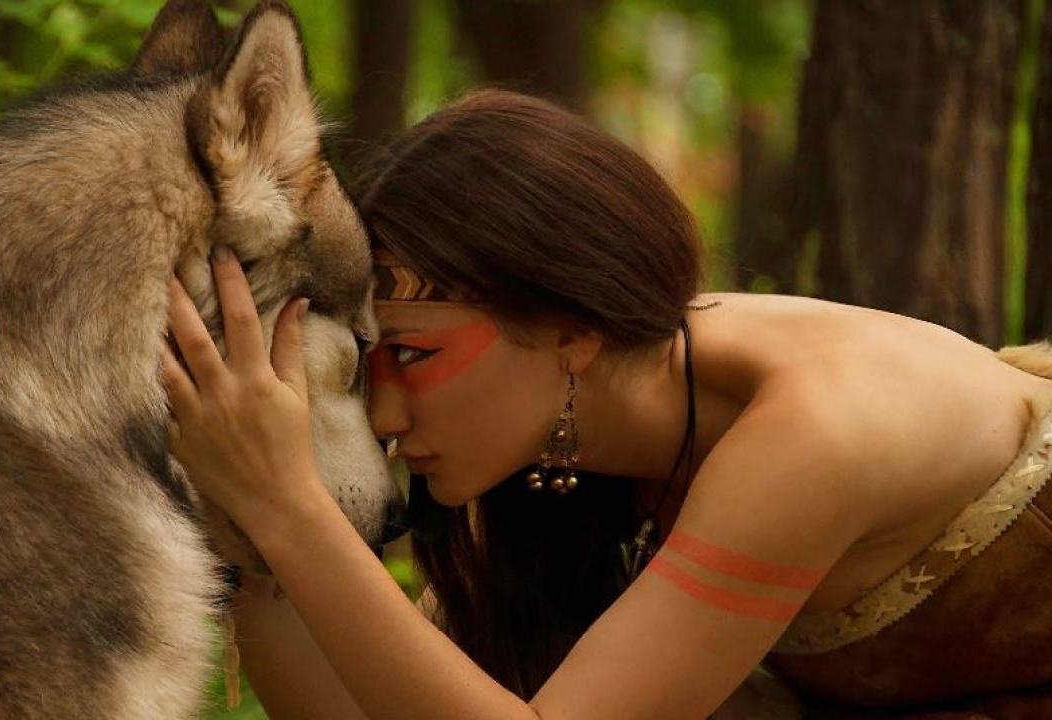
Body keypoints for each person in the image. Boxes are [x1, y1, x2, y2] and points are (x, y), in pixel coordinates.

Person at [160, 90, 1052, 719]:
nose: (385, 417)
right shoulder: (560, 438)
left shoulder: (817, 432)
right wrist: (243, 522)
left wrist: (287, 504)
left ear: (572, 330)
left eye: (415, 354)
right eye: (367, 362)